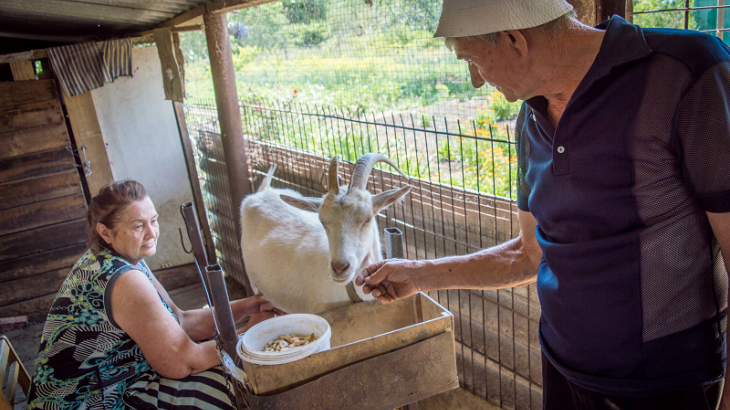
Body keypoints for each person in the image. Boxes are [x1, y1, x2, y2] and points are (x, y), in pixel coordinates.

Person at [356, 0, 730, 409]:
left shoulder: (687, 73)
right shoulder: (529, 120)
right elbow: (528, 254)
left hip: (663, 382)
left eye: (473, 60)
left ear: (515, 40)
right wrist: (418, 275)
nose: (476, 81)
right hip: (562, 367)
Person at [26, 180, 282, 410]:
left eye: (154, 220)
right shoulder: (124, 280)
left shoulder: (121, 256)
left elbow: (179, 320)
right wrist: (252, 338)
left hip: (116, 378)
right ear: (105, 232)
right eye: (138, 226)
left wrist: (248, 306)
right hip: (89, 399)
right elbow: (183, 363)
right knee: (234, 388)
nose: (152, 232)